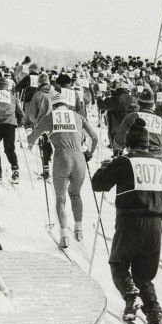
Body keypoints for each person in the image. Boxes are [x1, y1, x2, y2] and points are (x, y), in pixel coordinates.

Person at [91, 117, 162, 324]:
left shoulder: (125, 161)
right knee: (144, 275)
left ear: (128, 143)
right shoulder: (160, 165)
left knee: (118, 263)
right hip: (154, 226)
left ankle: (130, 296)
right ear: (148, 143)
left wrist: (104, 167)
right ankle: (154, 314)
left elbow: (98, 185)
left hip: (129, 222)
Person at [27, 91, 98, 247]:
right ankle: (79, 230)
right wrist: (89, 154)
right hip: (79, 158)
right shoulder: (78, 117)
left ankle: (64, 236)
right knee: (76, 194)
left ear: (54, 105)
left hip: (61, 158)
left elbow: (31, 138)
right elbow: (95, 137)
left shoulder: (49, 117)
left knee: (60, 199)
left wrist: (31, 137)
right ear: (67, 105)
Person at [114, 89, 162, 171]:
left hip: (136, 162)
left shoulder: (131, 117)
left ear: (139, 104)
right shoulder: (161, 122)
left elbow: (118, 142)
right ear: (152, 105)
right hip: (158, 163)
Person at [0, 70, 23, 183]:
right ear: (7, 87)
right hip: (9, 124)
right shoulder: (12, 96)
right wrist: (19, 121)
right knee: (9, 148)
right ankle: (15, 168)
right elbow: (20, 112)